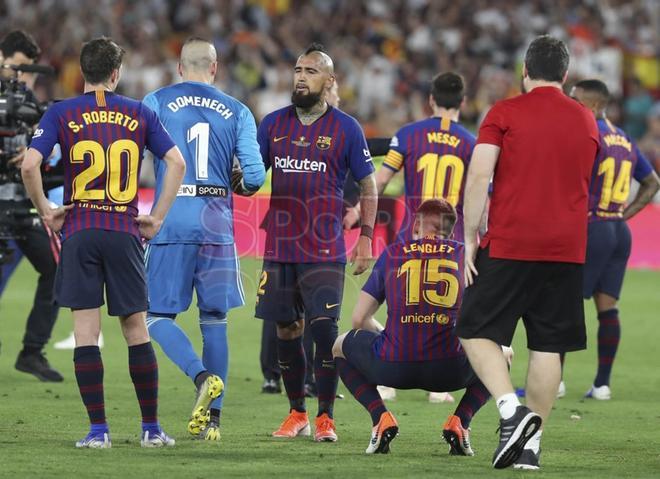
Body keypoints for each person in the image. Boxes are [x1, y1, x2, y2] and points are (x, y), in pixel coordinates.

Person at [21, 37, 186, 448]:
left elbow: (29, 164)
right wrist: (158, 218)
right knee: (135, 329)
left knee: (85, 332)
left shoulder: (61, 112)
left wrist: (45, 208)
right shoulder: (140, 113)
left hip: (79, 229)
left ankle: (98, 432)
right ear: (116, 74)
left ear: (83, 72)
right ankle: (151, 429)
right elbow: (176, 162)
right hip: (124, 229)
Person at [456, 35, 599, 470]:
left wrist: (469, 236)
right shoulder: (587, 121)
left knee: (473, 328)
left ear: (525, 70)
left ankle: (509, 411)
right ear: (565, 74)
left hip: (513, 240)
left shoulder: (505, 112)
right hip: (567, 247)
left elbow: (480, 174)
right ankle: (531, 447)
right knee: (548, 345)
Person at [143, 37, 266, 440]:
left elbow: (135, 161)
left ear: (180, 68)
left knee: (156, 317)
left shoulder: (156, 101)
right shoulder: (239, 110)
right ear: (214, 69)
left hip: (171, 219)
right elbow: (253, 176)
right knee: (215, 321)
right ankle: (213, 421)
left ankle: (200, 377)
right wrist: (238, 186)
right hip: (217, 225)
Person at [255, 43, 377, 442]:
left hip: (324, 247)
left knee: (324, 331)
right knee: (286, 330)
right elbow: (252, 176)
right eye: (297, 69)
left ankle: (326, 417)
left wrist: (366, 238)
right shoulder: (272, 124)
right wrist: (235, 178)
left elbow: (368, 184)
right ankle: (296, 413)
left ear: (329, 81)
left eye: (310, 71)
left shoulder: (346, 128)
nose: (301, 76)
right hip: (279, 245)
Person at [333, 198, 502, 455]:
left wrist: (389, 337)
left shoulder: (392, 253)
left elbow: (358, 319)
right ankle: (461, 421)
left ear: (417, 225)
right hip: (451, 371)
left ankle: (380, 417)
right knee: (503, 353)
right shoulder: (466, 256)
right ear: (450, 229)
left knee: (338, 346)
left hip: (393, 367)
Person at [566, 79, 660, 399]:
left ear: (592, 106)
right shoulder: (625, 139)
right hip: (619, 232)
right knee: (608, 309)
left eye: (575, 100)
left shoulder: (587, 135)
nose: (571, 104)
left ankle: (557, 382)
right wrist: (625, 214)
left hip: (591, 228)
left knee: (562, 304)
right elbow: (652, 183)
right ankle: (602, 384)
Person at [345, 71, 475, 244]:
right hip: (454, 241)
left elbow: (382, 180)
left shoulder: (408, 135)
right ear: (463, 102)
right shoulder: (471, 144)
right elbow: (478, 194)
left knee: (380, 272)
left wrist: (357, 210)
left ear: (431, 100)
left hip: (413, 237)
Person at [0, 30, 63, 382]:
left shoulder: (27, 103)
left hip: (23, 207)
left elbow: (51, 141)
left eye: (30, 70)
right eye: (20, 67)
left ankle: (32, 352)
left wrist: (40, 152)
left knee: (55, 270)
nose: (25, 76)